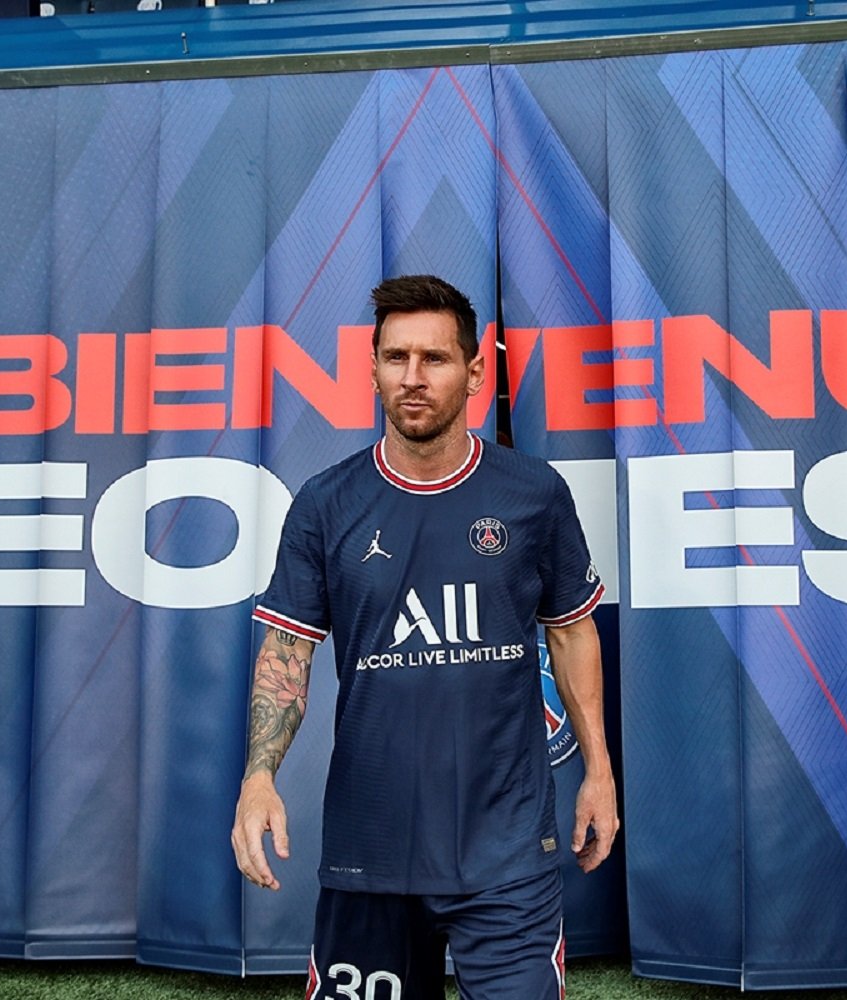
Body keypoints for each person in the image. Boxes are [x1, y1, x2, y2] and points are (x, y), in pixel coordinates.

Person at [231, 274, 619, 1000]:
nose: (412, 378)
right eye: (395, 357)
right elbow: (289, 651)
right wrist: (258, 778)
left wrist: (597, 770)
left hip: (507, 856)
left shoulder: (533, 494)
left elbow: (570, 633)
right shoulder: (324, 505)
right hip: (370, 851)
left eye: (434, 359)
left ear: (475, 373)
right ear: (372, 366)